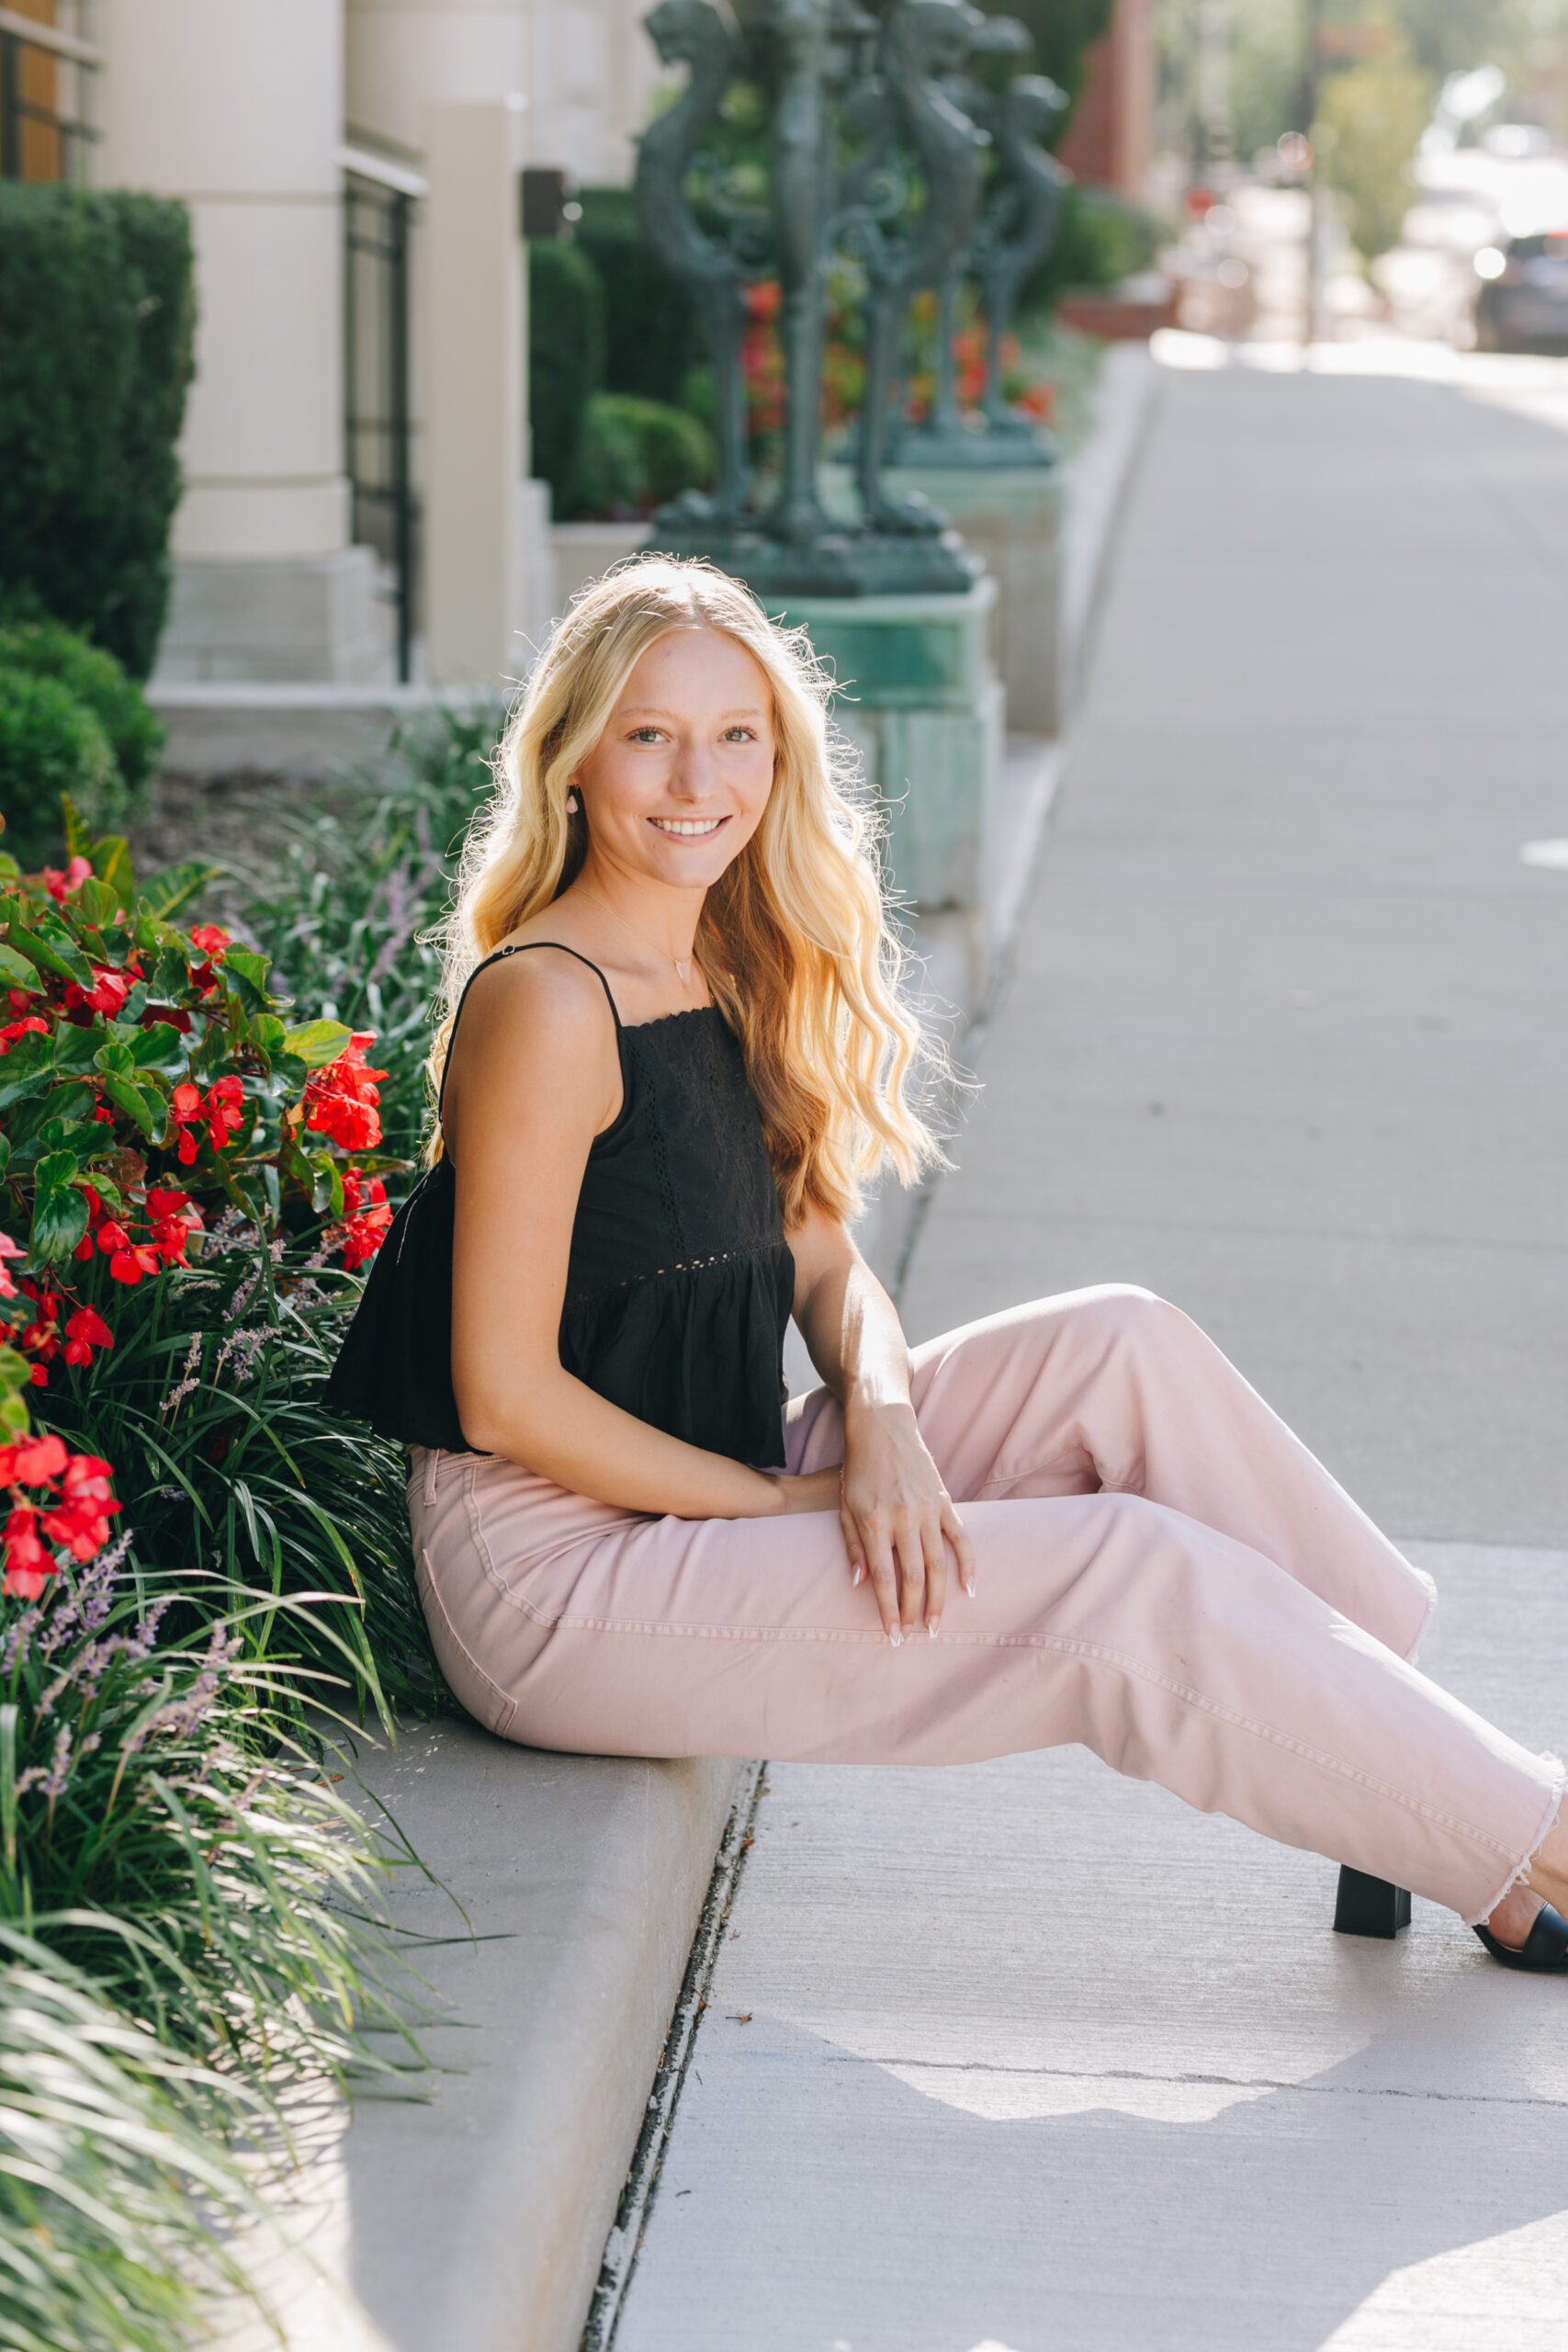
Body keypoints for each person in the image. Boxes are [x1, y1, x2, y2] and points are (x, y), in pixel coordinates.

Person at [326, 556, 1567, 1973]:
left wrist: (889, 1420)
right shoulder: (548, 1003)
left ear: (779, 760)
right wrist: (789, 1497)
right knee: (1123, 1574)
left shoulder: (717, 967)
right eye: (649, 734)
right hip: (556, 1581)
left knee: (1122, 1342)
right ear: (571, 761)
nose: (697, 778)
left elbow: (828, 1265)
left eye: (737, 735)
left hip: (695, 1496)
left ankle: (1416, 1776)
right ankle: (1529, 1829)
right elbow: (503, 1402)